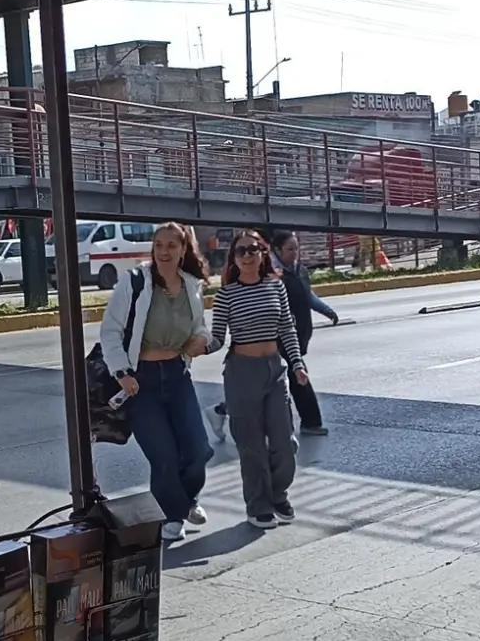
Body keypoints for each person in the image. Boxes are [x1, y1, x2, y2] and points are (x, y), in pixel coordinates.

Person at [100, 222, 214, 543]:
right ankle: (173, 515)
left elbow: (199, 327)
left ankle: (186, 498)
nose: (164, 252)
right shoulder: (135, 281)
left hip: (178, 375)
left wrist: (201, 340)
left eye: (171, 245)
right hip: (141, 381)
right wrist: (122, 372)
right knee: (163, 456)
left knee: (198, 450)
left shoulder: (191, 285)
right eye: (159, 245)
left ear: (183, 249)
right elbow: (111, 331)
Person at [205, 231, 307, 530]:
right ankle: (258, 505)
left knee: (285, 442)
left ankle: (278, 493)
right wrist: (198, 346)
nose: (247, 255)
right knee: (251, 446)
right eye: (241, 251)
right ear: (234, 259)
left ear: (263, 253)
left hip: (274, 370)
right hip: (241, 373)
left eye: (253, 249)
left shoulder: (276, 287)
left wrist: (297, 364)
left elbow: (287, 328)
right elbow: (217, 338)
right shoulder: (226, 295)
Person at [205, 231, 338, 441]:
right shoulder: (249, 285)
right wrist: (200, 346)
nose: (294, 253)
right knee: (281, 387)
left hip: (295, 336)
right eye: (290, 249)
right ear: (277, 250)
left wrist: (326, 310)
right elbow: (218, 337)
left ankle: (223, 410)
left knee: (271, 392)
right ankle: (310, 423)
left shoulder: (296, 273)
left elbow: (307, 297)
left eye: (296, 248)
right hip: (269, 344)